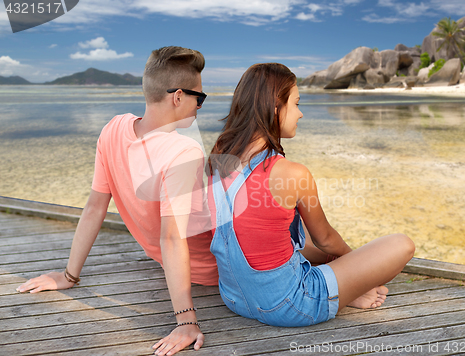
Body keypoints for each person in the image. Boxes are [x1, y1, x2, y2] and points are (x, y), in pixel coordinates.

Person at [16, 46, 218, 355]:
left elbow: (95, 206)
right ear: (178, 97)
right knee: (306, 236)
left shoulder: (113, 129)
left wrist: (69, 275)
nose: (200, 106)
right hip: (220, 266)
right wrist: (185, 320)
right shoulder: (184, 152)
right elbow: (172, 237)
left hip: (188, 259)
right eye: (199, 98)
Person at [206, 63, 415, 327]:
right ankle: (345, 291)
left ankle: (343, 289)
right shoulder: (291, 173)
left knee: (293, 223)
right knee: (402, 244)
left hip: (234, 297)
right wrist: (361, 271)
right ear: (275, 108)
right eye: (295, 103)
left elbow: (260, 236)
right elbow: (326, 240)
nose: (300, 114)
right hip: (290, 304)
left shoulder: (219, 161)